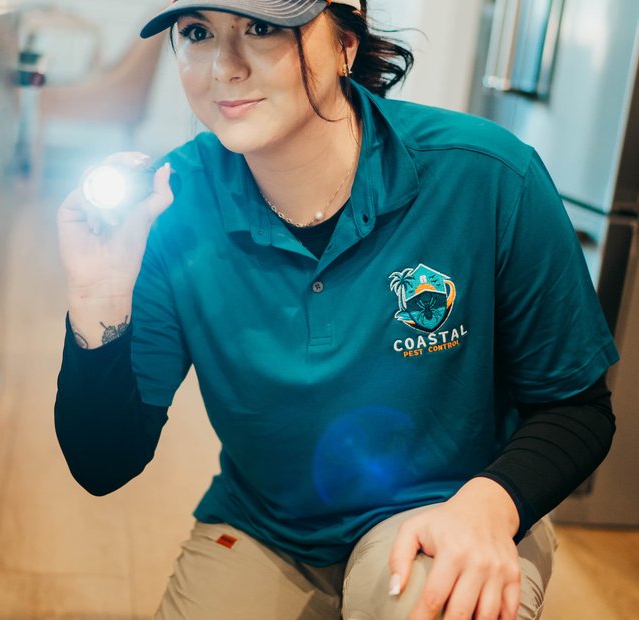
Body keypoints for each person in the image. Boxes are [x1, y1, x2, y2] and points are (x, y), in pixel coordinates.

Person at [54, 1, 619, 618]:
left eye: (263, 29)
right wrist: (100, 296)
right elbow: (105, 464)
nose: (224, 66)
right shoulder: (168, 208)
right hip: (269, 528)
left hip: (448, 508)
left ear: (346, 43)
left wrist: (488, 507)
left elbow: (576, 409)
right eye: (198, 33)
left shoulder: (486, 176)